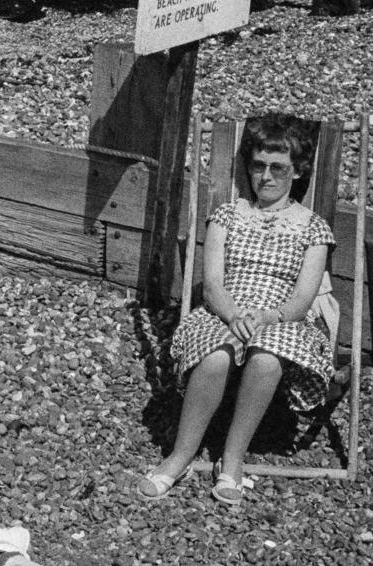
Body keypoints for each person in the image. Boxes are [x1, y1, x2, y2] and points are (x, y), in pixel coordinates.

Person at [138, 114, 336, 505]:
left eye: (277, 167)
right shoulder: (227, 216)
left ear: (297, 171)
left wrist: (266, 317)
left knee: (266, 359)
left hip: (282, 318)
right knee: (215, 355)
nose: (266, 176)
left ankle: (233, 459)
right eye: (258, 165)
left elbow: (302, 299)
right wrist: (233, 315)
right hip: (224, 310)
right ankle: (179, 456)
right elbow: (212, 284)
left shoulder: (313, 228)